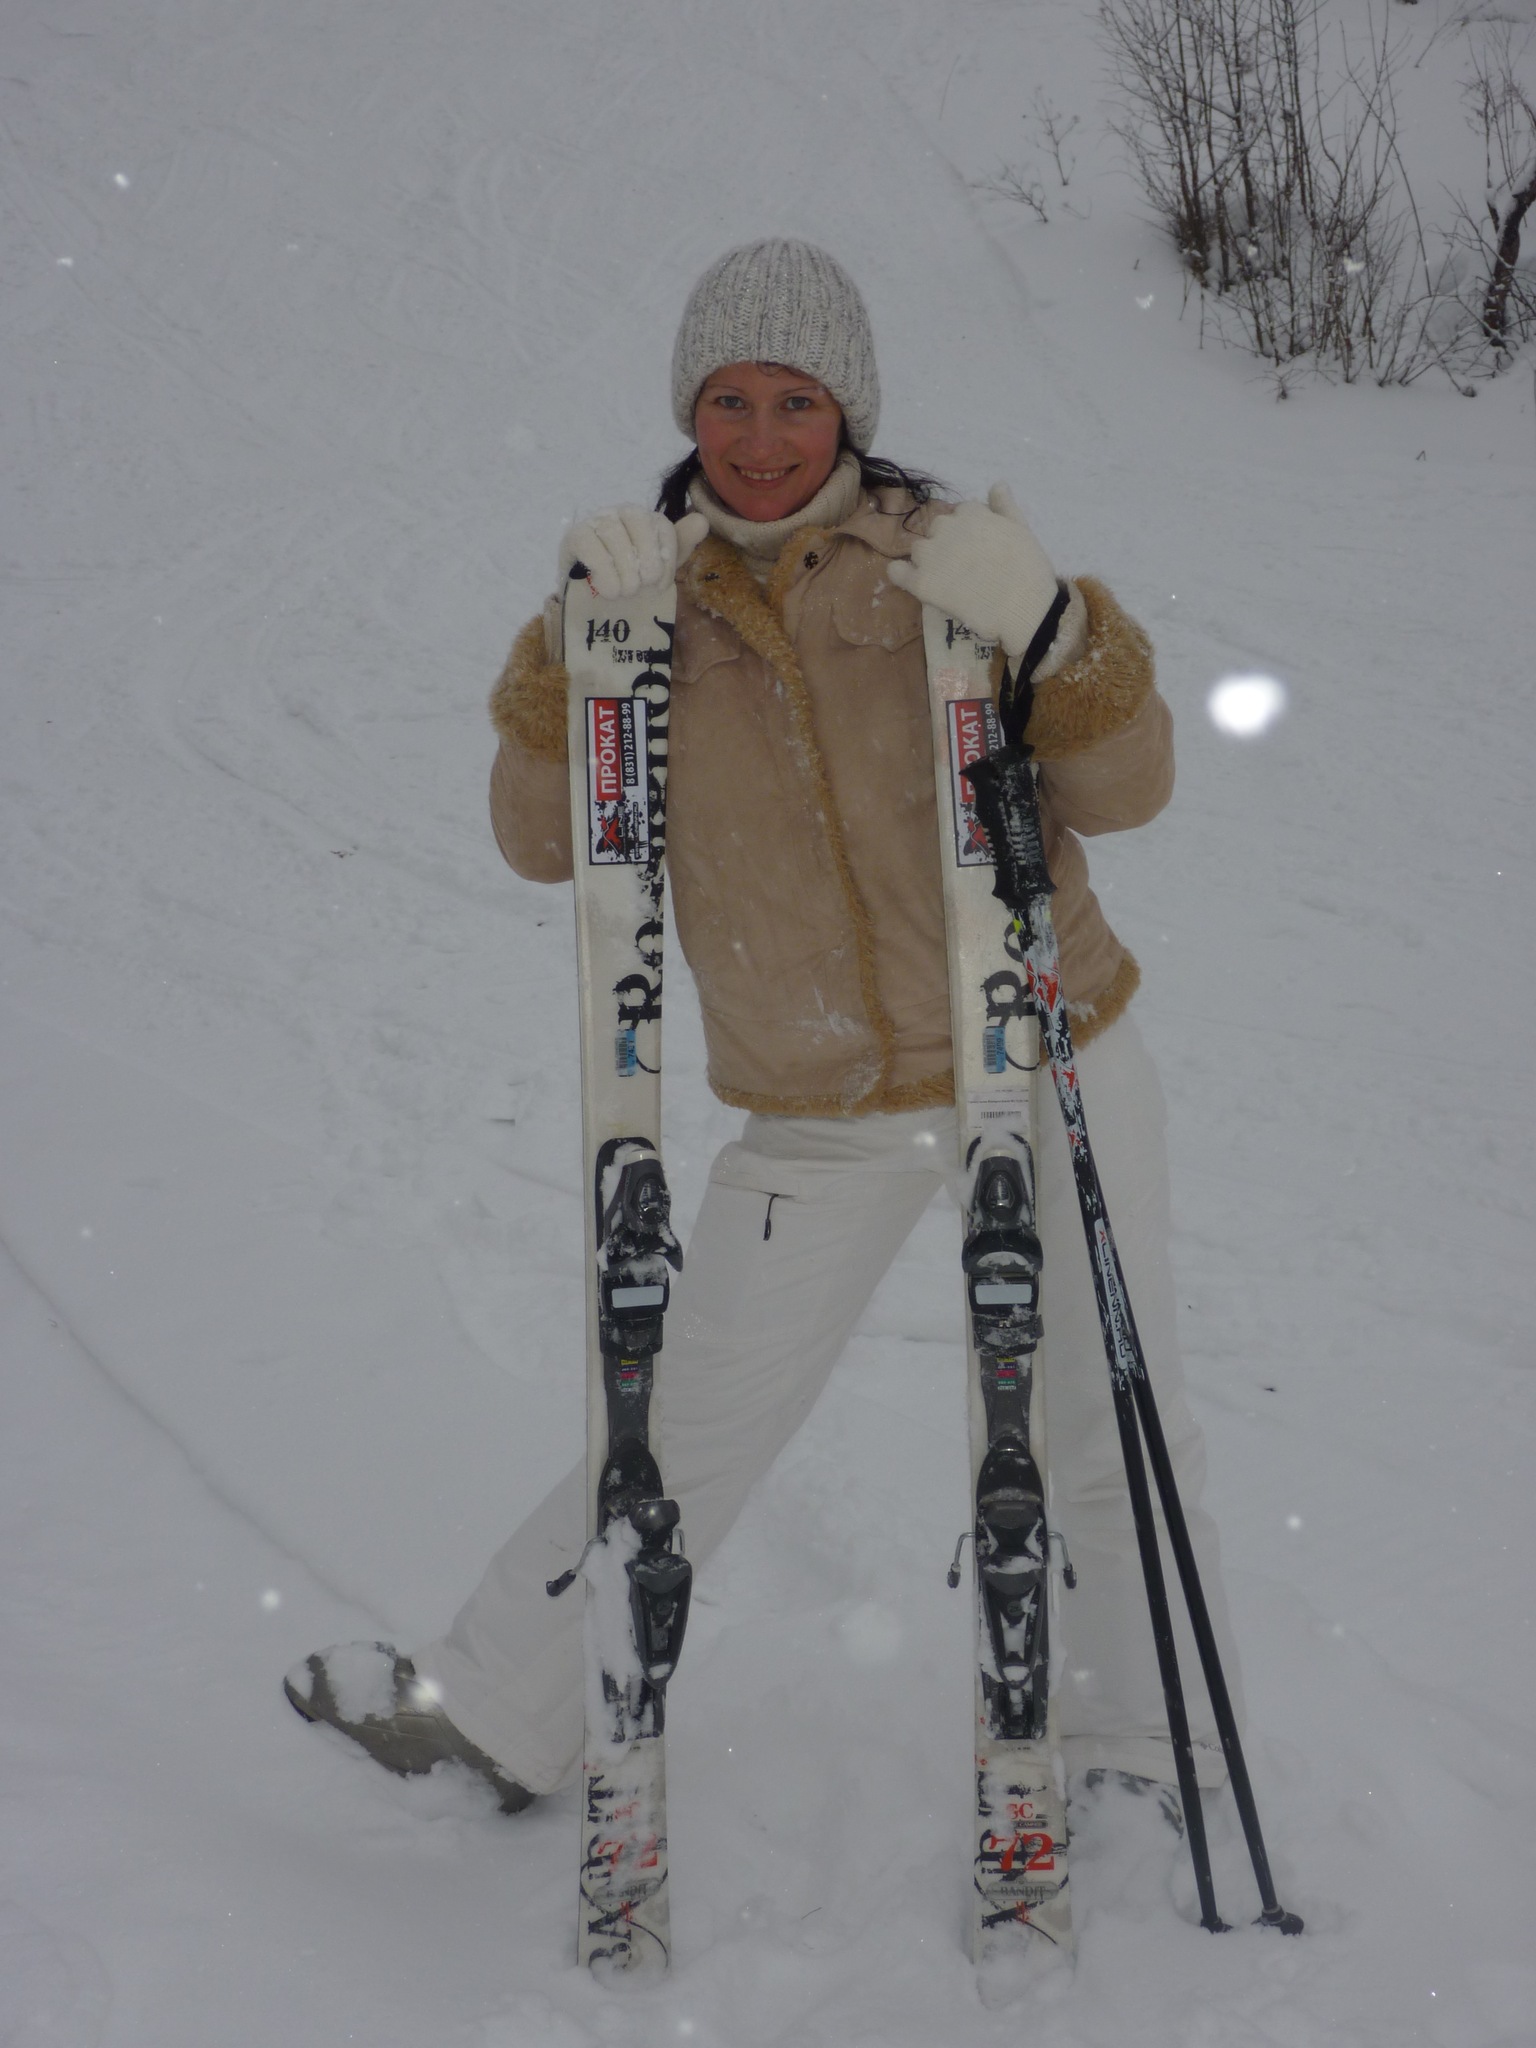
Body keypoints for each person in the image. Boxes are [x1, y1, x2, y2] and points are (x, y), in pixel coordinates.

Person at [286, 238, 1242, 1815]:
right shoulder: (646, 600)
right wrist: (566, 651)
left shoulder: (947, 563)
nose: (761, 436)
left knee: (1102, 1413)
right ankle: (503, 1715)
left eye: (796, 400)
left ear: (847, 409)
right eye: (728, 399)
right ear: (690, 410)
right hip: (819, 1108)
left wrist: (1057, 629)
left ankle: (1140, 1744)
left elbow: (1128, 791)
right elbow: (540, 841)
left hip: (1045, 1045)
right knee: (674, 1427)